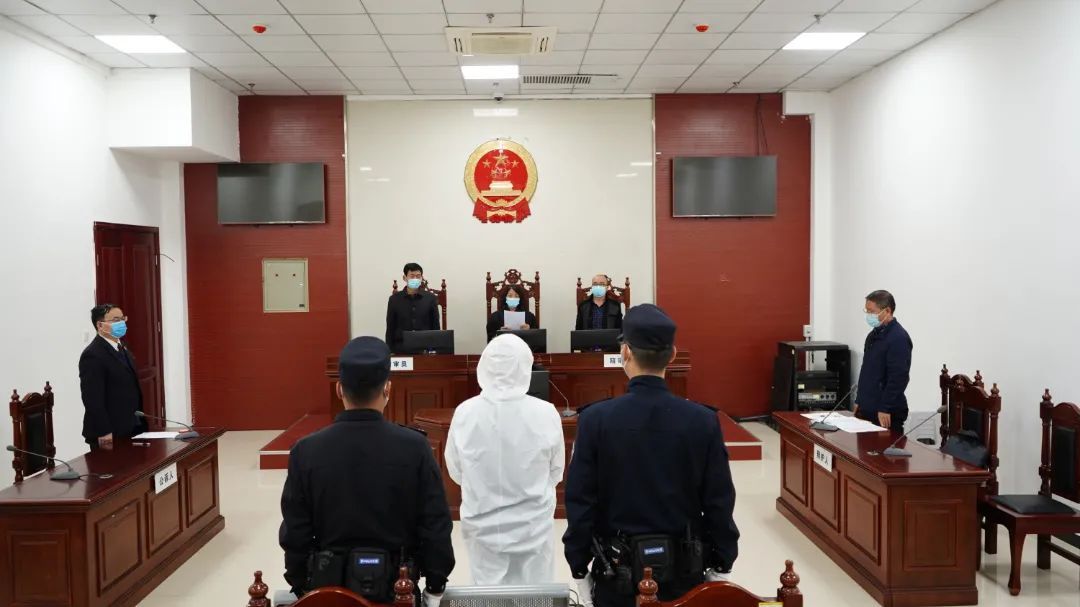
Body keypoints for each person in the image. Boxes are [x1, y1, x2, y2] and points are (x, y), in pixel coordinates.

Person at [563, 304, 739, 607]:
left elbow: (580, 500)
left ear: (625, 352)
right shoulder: (702, 420)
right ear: (672, 355)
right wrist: (722, 563)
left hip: (616, 576)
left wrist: (579, 567)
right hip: (684, 575)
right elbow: (719, 499)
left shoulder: (596, 420)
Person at [279, 336, 454, 606]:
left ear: (339, 389)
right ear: (388, 389)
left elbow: (296, 532)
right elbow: (435, 524)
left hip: (330, 591)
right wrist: (435, 585)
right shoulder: (414, 447)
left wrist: (302, 585)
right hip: (398, 590)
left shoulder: (306, 451)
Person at [445, 334, 564, 585]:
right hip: (533, 526)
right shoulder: (546, 413)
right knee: (537, 596)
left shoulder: (465, 412)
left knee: (488, 596)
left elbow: (455, 470)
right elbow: (556, 471)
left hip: (482, 524)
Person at [79, 304, 147, 450]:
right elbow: (92, 399)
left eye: (123, 319)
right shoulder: (93, 355)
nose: (121, 323)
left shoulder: (121, 346)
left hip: (131, 425)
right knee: (111, 464)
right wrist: (104, 432)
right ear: (100, 325)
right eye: (116, 320)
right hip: (109, 431)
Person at [853, 290, 913, 433]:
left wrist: (885, 407)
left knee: (883, 447)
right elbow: (866, 370)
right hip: (867, 409)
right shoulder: (873, 335)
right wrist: (859, 400)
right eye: (866, 311)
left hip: (885, 412)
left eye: (872, 312)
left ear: (887, 311)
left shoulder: (898, 338)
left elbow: (898, 377)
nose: (869, 316)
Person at [386, 262, 441, 352]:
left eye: (418, 276)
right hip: (401, 347)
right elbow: (390, 328)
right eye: (412, 276)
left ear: (421, 278)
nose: (415, 279)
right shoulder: (394, 299)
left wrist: (436, 350)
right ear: (404, 278)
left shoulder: (430, 298)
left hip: (425, 347)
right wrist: (389, 352)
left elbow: (436, 327)